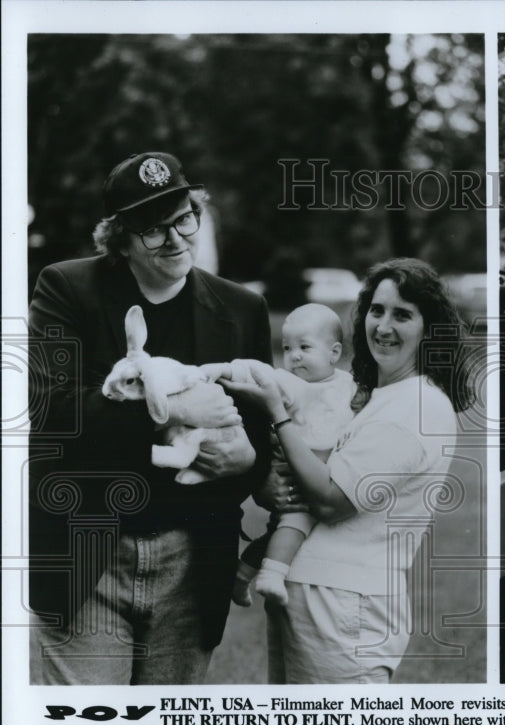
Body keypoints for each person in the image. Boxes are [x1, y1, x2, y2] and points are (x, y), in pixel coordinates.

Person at [28, 152, 273, 684]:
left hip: (193, 561)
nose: (176, 239)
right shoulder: (67, 290)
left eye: (185, 217)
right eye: (153, 230)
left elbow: (260, 439)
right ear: (118, 237)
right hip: (88, 556)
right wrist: (175, 411)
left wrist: (248, 457)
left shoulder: (241, 310)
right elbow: (50, 415)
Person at [223, 258, 474, 683]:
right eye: (377, 310)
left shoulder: (417, 407)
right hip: (312, 601)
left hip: (345, 611)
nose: (383, 326)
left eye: (402, 315)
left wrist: (278, 417)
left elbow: (330, 499)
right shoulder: (378, 397)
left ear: (429, 328)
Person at [201, 303, 356, 606]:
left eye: (304, 347)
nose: (294, 355)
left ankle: (241, 573)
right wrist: (221, 369)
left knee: (280, 529)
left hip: (327, 472)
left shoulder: (347, 385)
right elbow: (254, 371)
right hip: (295, 471)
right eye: (287, 348)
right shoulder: (287, 383)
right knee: (295, 522)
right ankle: (271, 576)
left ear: (334, 353)